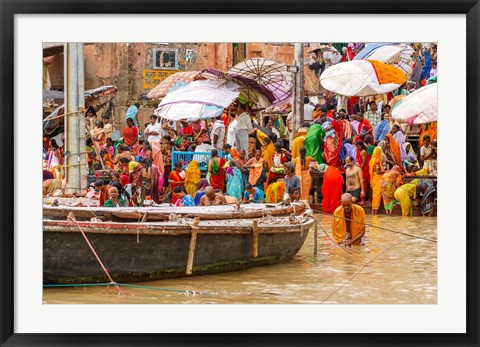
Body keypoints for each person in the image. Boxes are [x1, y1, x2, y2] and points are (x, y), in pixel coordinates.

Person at [369, 147, 385, 214]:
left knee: (374, 195)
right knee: (377, 195)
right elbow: (378, 171)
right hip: (377, 178)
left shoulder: (371, 160)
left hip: (373, 178)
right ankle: (375, 212)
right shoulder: (377, 161)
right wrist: (385, 171)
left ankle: (373, 212)